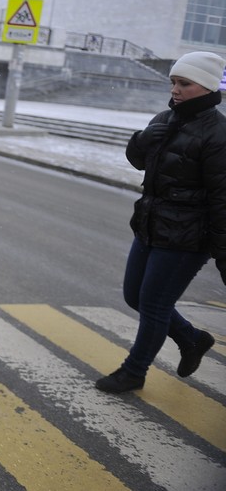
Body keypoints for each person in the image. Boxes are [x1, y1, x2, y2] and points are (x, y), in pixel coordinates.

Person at [95, 51, 226, 393]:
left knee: (154, 303)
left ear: (207, 87)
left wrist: (221, 249)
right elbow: (138, 160)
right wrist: (140, 141)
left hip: (187, 236)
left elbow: (222, 198)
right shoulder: (166, 118)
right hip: (151, 224)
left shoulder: (218, 133)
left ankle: (134, 371)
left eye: (185, 83)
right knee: (134, 295)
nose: (176, 90)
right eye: (173, 82)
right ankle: (191, 338)